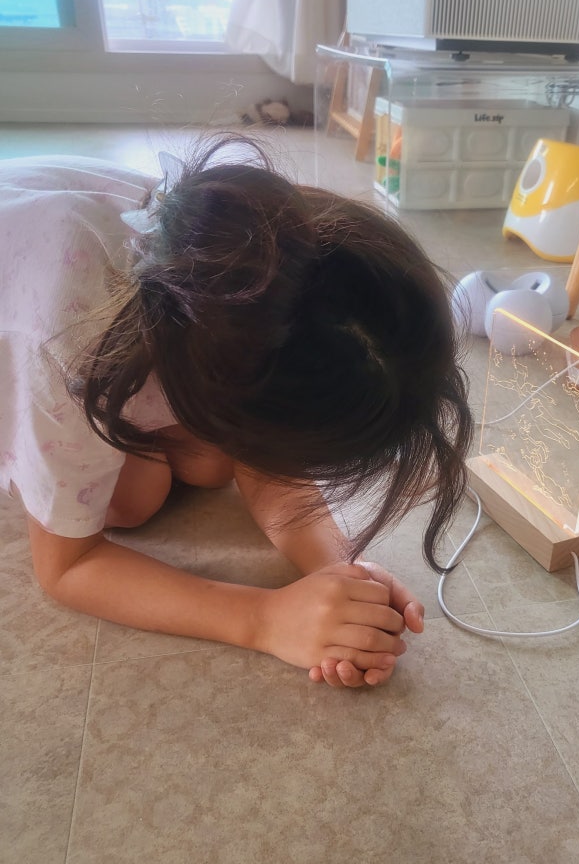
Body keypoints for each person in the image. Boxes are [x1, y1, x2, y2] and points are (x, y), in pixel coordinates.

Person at [0, 133, 472, 688]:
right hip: (39, 308)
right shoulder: (70, 349)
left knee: (204, 465)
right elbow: (67, 566)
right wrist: (263, 618)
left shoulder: (255, 272)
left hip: (55, 243)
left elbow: (265, 445)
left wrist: (337, 569)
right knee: (133, 501)